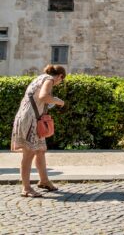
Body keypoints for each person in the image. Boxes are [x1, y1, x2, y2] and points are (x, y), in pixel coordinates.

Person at [11, 64, 67, 198]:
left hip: (32, 118)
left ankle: (44, 180)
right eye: (61, 80)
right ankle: (26, 188)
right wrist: (59, 101)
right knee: (29, 153)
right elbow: (43, 96)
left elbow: (38, 99)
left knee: (40, 150)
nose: (59, 83)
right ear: (60, 76)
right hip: (30, 120)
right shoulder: (49, 79)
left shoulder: (40, 78)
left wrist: (51, 101)